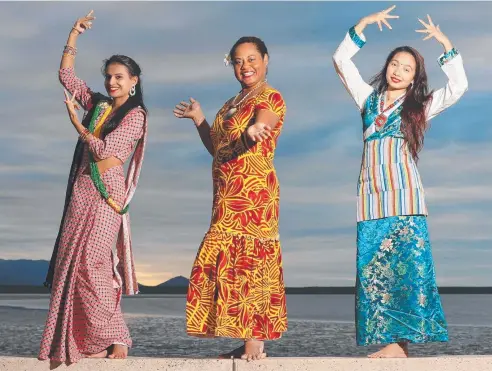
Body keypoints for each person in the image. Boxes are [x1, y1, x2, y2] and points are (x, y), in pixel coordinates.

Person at [332, 5, 468, 358]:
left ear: (414, 77)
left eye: (407, 68)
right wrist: (361, 26)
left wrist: (445, 44)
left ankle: (399, 345)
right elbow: (341, 62)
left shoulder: (420, 106)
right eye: (395, 64)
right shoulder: (368, 100)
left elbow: (459, 86)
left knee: (405, 271)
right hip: (371, 198)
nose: (398, 71)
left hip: (406, 198)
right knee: (374, 271)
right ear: (387, 66)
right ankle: (391, 343)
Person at [38, 10, 148, 363]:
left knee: (94, 263)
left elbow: (107, 152)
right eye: (108, 77)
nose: (112, 83)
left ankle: (119, 336)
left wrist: (78, 125)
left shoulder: (136, 116)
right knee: (73, 266)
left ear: (134, 80)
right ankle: (88, 341)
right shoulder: (99, 104)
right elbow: (66, 75)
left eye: (119, 77)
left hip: (106, 197)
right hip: (81, 192)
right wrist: (74, 33)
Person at [174, 36, 287, 362]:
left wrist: (256, 130)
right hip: (226, 193)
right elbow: (218, 149)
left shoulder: (270, 96)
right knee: (231, 263)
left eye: (252, 59)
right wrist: (199, 119)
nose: (245, 66)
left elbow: (265, 120)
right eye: (238, 61)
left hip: (254, 193)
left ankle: (255, 344)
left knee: (251, 262)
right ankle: (245, 336)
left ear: (265, 60)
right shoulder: (231, 103)